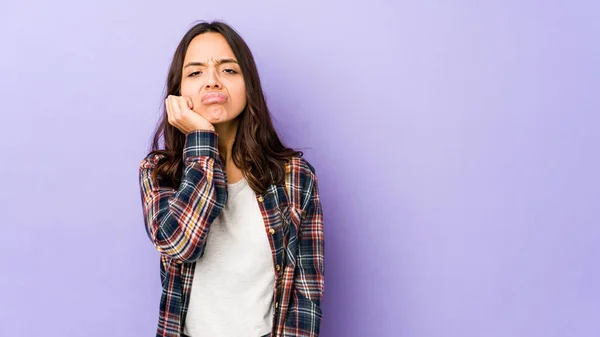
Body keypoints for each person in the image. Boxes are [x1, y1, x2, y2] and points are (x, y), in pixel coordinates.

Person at [138, 21, 324, 337]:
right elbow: (180, 244)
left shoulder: (294, 177)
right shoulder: (158, 172)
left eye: (228, 70)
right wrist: (201, 138)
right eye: (195, 73)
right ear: (178, 93)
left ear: (248, 85)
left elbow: (306, 296)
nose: (212, 82)